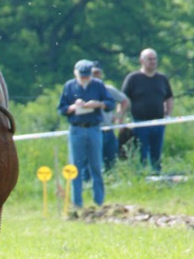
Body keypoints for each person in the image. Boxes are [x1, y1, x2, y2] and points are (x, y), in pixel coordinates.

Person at [58, 59, 115, 209]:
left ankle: (99, 202)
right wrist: (72, 107)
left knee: (96, 165)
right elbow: (61, 108)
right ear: (75, 73)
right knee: (75, 166)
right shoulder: (69, 86)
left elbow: (110, 103)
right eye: (82, 75)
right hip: (76, 128)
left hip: (94, 128)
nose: (84, 78)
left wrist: (98, 104)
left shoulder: (98, 85)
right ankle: (77, 204)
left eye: (87, 75)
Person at [121, 48, 174, 172]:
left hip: (159, 122)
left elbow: (169, 98)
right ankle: (142, 175)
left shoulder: (162, 79)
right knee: (142, 151)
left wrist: (168, 115)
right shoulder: (133, 78)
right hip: (139, 122)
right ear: (141, 60)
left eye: (154, 59)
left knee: (156, 151)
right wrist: (121, 118)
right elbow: (124, 99)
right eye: (149, 59)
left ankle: (157, 174)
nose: (153, 62)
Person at [91, 61, 129, 171]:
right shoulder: (85, 91)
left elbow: (124, 101)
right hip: (93, 130)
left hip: (108, 130)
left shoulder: (108, 89)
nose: (96, 75)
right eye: (93, 73)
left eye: (98, 72)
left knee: (111, 161)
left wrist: (118, 115)